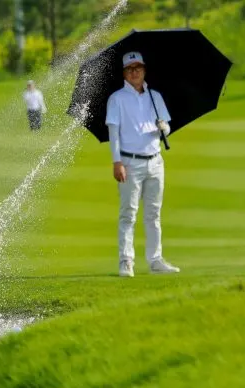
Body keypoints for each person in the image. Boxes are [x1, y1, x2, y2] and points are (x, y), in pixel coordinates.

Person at [105, 51, 180, 278]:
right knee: (128, 213)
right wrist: (117, 161)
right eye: (130, 69)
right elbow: (114, 132)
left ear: (144, 70)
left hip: (155, 161)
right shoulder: (117, 98)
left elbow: (166, 126)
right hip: (130, 161)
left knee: (153, 214)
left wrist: (162, 127)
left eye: (138, 68)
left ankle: (155, 259)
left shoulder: (154, 96)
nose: (135, 72)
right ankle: (126, 261)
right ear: (124, 73)